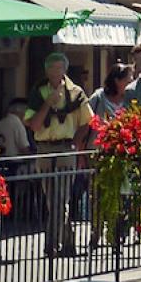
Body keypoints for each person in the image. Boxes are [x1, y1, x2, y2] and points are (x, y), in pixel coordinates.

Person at [27, 52, 93, 255]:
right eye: (52, 68)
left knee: (60, 198)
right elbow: (34, 125)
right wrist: (48, 103)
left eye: (59, 68)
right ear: (46, 71)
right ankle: (69, 242)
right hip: (45, 148)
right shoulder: (39, 92)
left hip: (65, 149)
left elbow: (87, 121)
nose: (55, 72)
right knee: (52, 200)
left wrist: (75, 144)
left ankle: (51, 243)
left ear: (65, 69)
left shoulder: (76, 93)